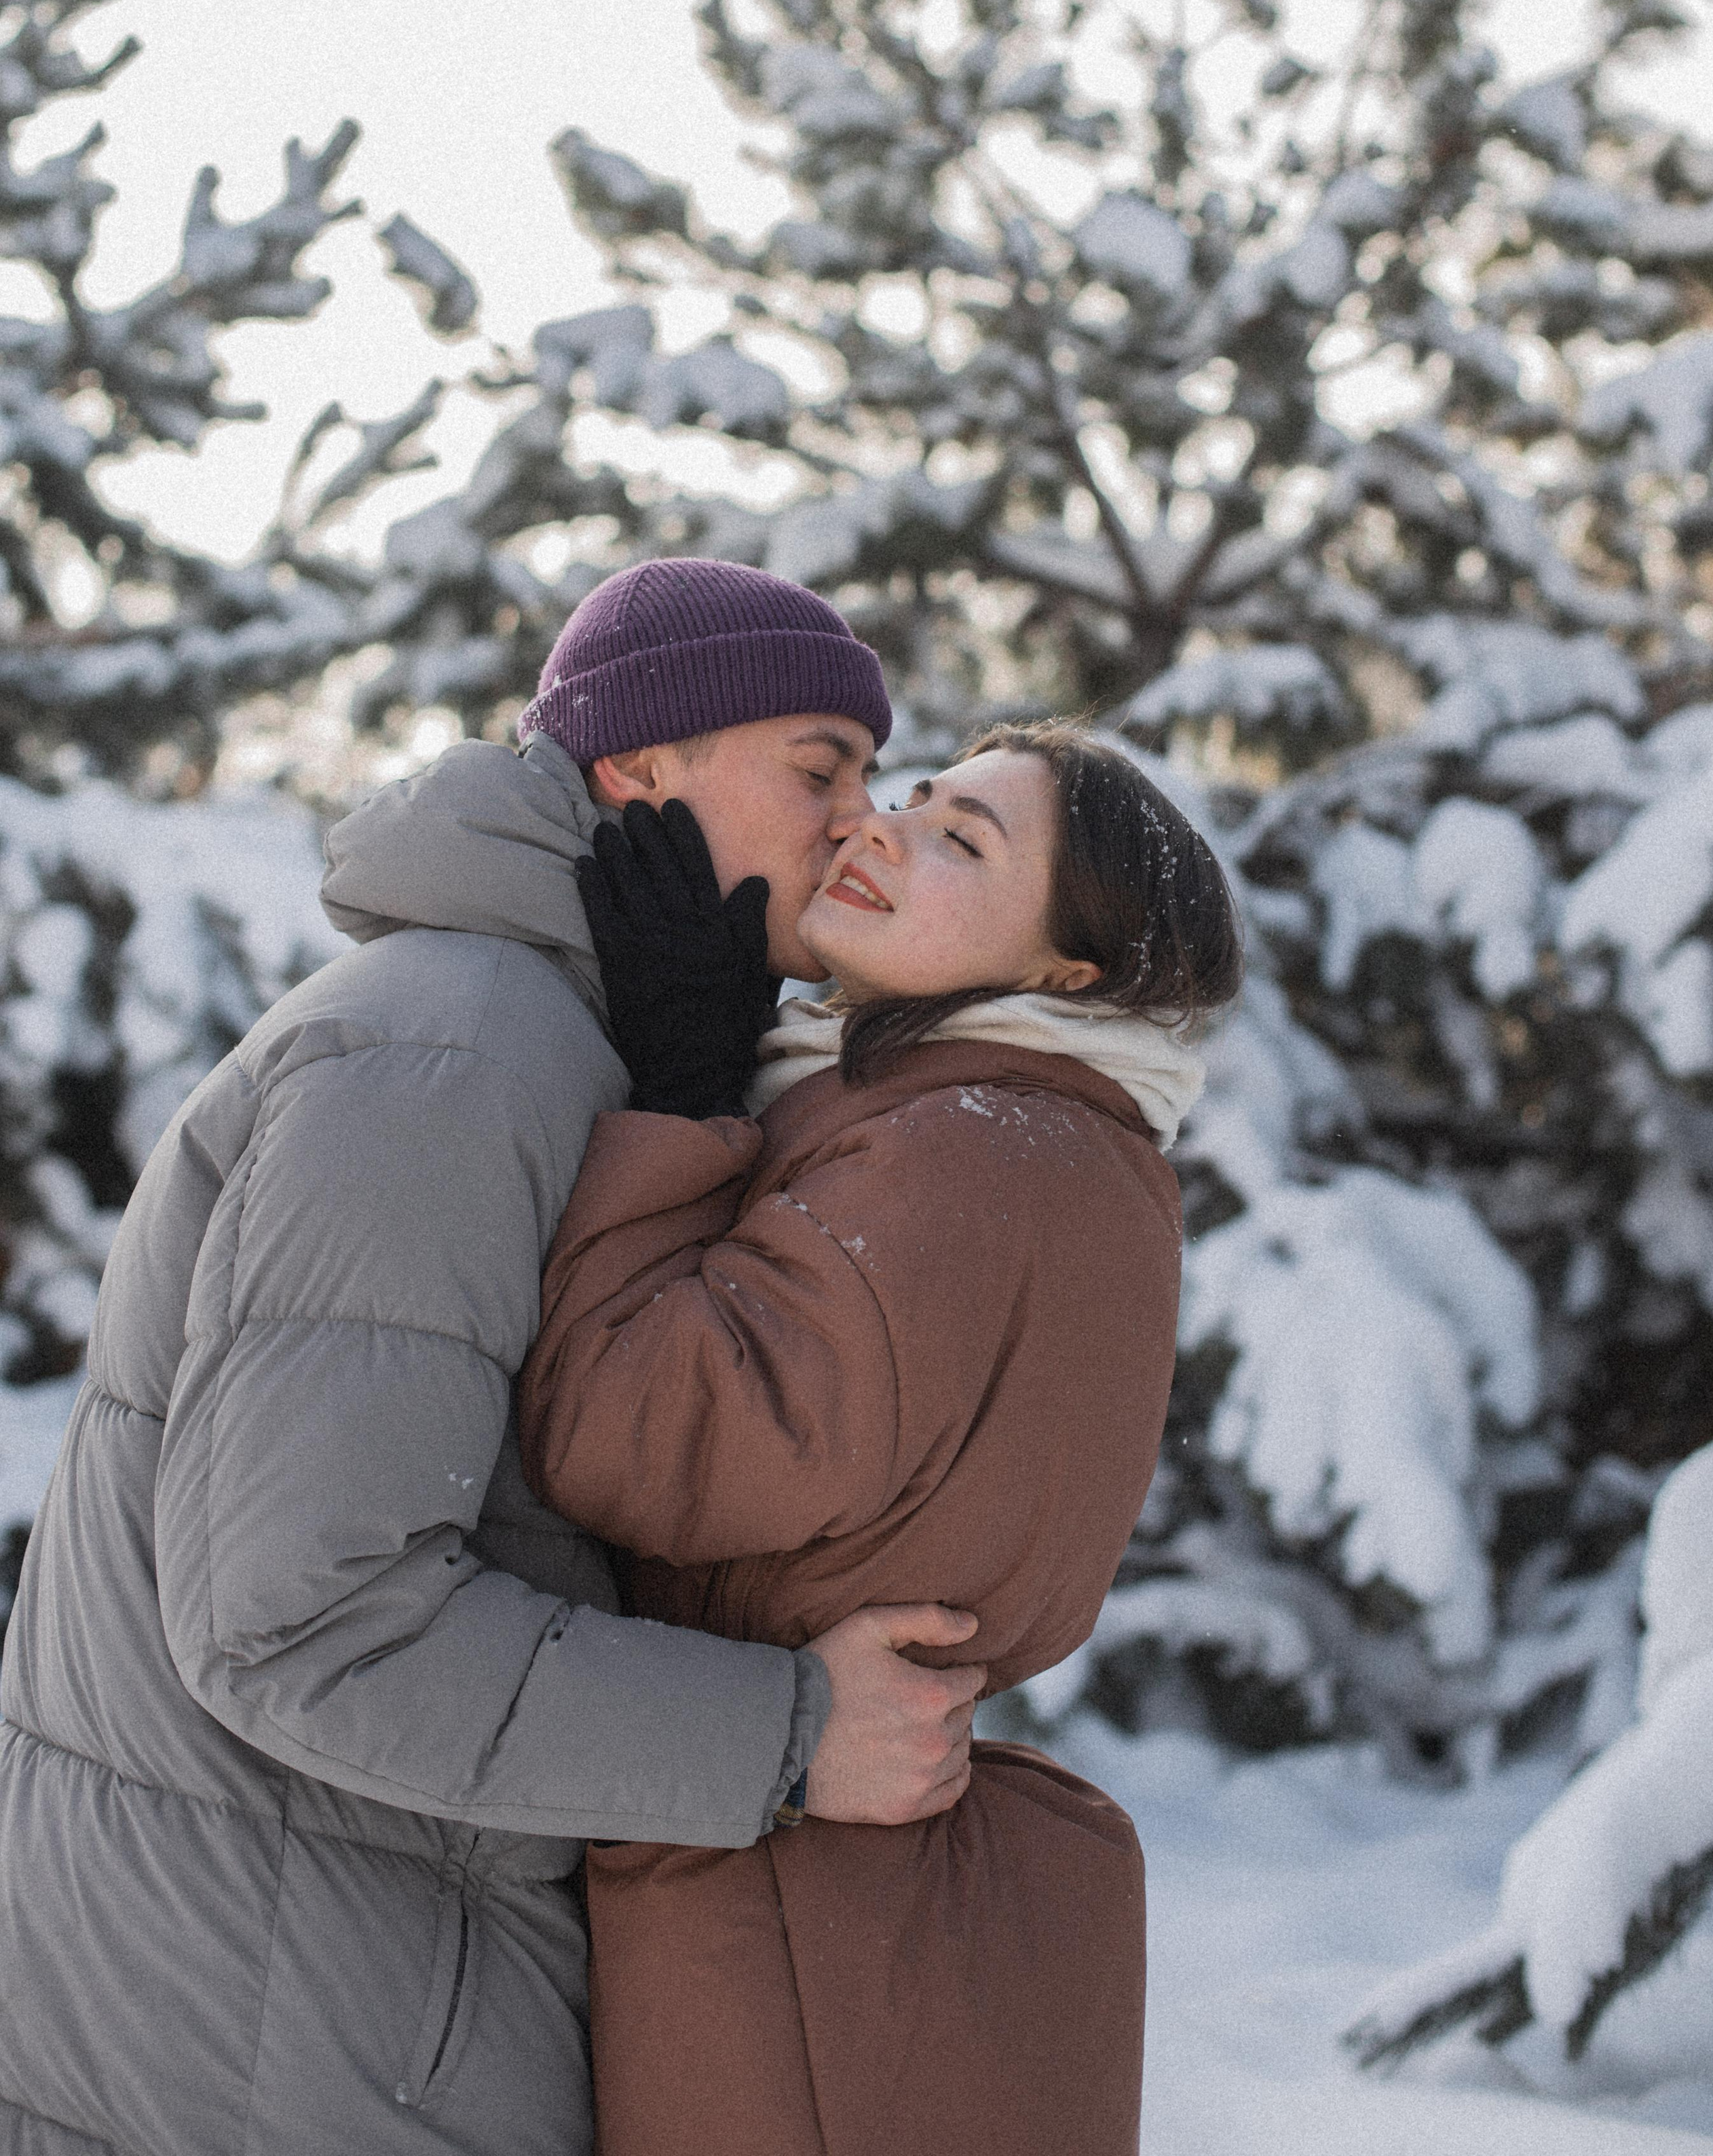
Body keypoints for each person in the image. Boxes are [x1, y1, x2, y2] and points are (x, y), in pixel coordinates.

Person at [0, 560, 986, 2156]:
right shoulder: (447, 1047)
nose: (858, 821)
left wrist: (682, 1111)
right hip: (262, 2051)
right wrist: (790, 1736)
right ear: (637, 771)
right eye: (819, 767)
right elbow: (299, 1618)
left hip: (329, 2006)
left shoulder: (557, 1045)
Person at [519, 721, 1245, 2156]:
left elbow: (642, 1435)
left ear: (1064, 972)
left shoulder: (962, 1146)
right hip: (839, 1886)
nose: (882, 831)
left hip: (792, 1920)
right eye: (914, 800)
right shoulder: (1018, 1128)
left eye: (962, 840)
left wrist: (670, 1101)